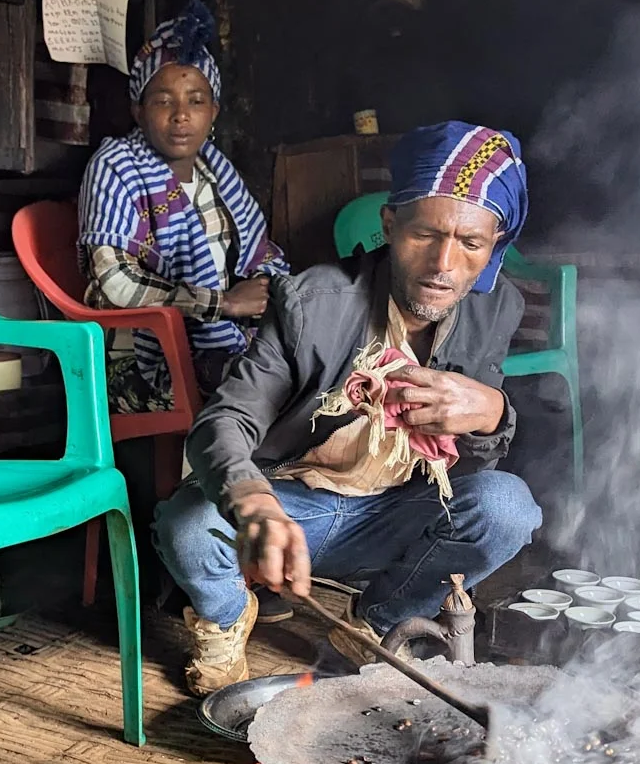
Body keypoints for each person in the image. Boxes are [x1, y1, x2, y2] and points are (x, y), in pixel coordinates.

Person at [153, 121, 544, 695]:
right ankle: (225, 613)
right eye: (424, 235)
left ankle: (376, 624)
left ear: (493, 249)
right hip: (295, 510)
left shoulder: (494, 308)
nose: (444, 263)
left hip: (397, 512)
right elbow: (225, 421)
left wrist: (491, 412)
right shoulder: (312, 302)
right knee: (188, 524)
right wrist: (256, 503)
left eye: (471, 244)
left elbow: (476, 461)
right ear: (390, 225)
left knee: (507, 506)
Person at [77, 0, 288, 416]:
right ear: (138, 110)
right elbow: (111, 283)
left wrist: (266, 289)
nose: (180, 116)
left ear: (214, 112)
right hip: (143, 359)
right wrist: (223, 304)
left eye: (195, 100)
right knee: (276, 388)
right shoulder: (115, 167)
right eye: (163, 101)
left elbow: (258, 252)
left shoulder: (216, 173)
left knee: (327, 359)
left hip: (224, 341)